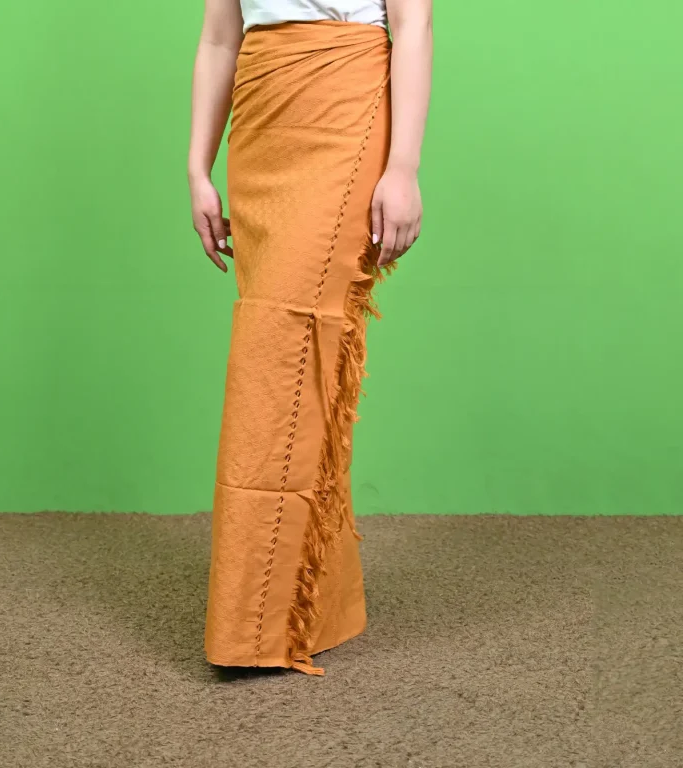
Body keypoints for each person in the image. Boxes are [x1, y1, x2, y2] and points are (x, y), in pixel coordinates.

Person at [188, 0, 433, 676]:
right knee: (284, 349)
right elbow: (219, 38)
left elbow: (413, 25)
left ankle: (259, 622)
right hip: (261, 114)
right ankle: (315, 604)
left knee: (285, 346)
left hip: (346, 104)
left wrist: (404, 167)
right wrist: (198, 169)